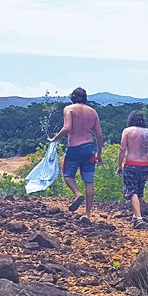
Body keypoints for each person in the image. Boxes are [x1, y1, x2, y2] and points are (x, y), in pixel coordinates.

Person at [48, 87, 103, 217]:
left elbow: (67, 128)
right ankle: (88, 214)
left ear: (72, 97)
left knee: (68, 175)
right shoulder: (93, 112)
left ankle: (78, 194)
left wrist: (54, 139)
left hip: (74, 148)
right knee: (89, 181)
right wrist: (99, 153)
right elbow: (99, 135)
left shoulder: (69, 109)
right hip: (90, 148)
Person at [117, 110, 148, 227]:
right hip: (144, 164)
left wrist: (119, 165)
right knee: (140, 191)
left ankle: (138, 217)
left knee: (132, 191)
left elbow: (122, 149)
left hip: (131, 163)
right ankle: (135, 216)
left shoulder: (127, 131)